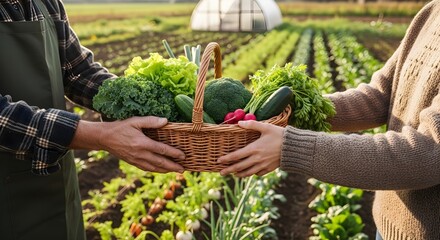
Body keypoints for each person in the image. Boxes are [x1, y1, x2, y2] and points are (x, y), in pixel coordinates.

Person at [218, 1, 440, 239]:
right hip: (388, 227)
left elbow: (428, 153)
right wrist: (294, 110)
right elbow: (381, 96)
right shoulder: (431, 12)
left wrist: (289, 146)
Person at [0, 0, 184, 239]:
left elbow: (78, 71)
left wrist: (144, 104)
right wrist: (99, 135)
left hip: (56, 188)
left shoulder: (45, 3)